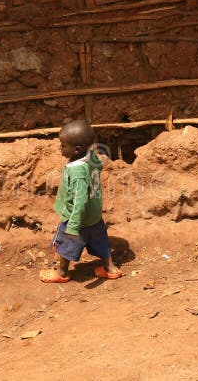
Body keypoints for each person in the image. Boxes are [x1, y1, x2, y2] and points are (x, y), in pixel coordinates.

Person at [39, 120, 122, 283]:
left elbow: (79, 200)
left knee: (66, 242)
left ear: (76, 149)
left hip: (77, 216)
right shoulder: (90, 156)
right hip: (94, 215)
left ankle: (62, 272)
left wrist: (73, 224)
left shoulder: (77, 172)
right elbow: (99, 166)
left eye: (63, 145)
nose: (60, 148)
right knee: (100, 240)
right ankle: (110, 268)